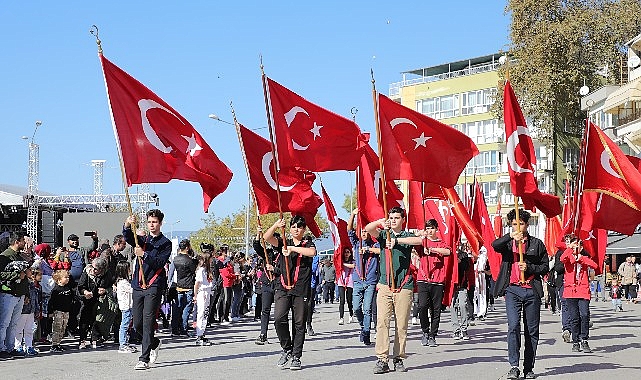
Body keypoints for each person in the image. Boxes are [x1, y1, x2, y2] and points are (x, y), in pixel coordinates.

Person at [492, 209, 548, 380]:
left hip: (531, 290)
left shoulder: (537, 244)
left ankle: (528, 367)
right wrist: (510, 237)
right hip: (512, 290)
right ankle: (514, 366)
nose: (517, 226)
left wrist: (530, 268)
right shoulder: (508, 244)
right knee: (513, 326)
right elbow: (495, 245)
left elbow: (545, 267)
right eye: (514, 224)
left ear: (527, 225)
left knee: (531, 330)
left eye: (521, 224)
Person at [365, 206, 415, 374]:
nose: (393, 220)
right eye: (391, 217)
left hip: (403, 286)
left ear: (403, 220)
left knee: (401, 325)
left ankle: (399, 358)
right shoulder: (383, 235)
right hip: (385, 285)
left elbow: (421, 241)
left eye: (396, 218)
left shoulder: (407, 236)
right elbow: (368, 229)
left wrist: (397, 241)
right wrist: (380, 222)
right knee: (382, 322)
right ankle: (382, 359)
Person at [263, 215, 317, 371]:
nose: (296, 229)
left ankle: (296, 356)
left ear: (303, 229)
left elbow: (312, 252)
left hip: (300, 289)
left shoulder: (307, 244)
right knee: (279, 318)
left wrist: (292, 249)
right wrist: (276, 225)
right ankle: (286, 348)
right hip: (283, 287)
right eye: (293, 226)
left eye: (299, 227)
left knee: (299, 323)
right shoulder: (283, 243)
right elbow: (267, 237)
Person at [123, 209, 172, 371]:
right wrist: (127, 224)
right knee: (137, 324)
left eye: (155, 222)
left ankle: (143, 358)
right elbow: (128, 237)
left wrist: (143, 254)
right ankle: (154, 343)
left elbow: (159, 262)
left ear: (160, 223)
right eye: (150, 222)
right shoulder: (142, 239)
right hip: (138, 285)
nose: (152, 225)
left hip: (154, 285)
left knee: (148, 322)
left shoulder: (166, 243)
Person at [407, 219, 452, 348]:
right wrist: (420, 234)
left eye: (431, 228)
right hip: (423, 279)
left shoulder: (441, 242)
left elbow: (448, 252)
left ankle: (433, 335)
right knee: (422, 306)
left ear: (436, 229)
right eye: (427, 228)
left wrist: (432, 249)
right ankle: (425, 331)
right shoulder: (422, 242)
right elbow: (411, 241)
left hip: (437, 281)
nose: (429, 230)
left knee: (435, 310)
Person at [348, 209, 380, 346]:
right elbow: (349, 229)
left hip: (370, 281)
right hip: (358, 281)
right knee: (356, 308)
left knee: (367, 308)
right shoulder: (356, 244)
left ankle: (366, 332)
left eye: (366, 231)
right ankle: (363, 327)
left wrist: (368, 250)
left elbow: (382, 251)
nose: (364, 233)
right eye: (362, 231)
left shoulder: (375, 244)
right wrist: (353, 215)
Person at [561, 235, 597, 354]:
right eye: (575, 244)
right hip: (570, 291)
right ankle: (575, 341)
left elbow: (595, 266)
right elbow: (562, 258)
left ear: (581, 247)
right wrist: (570, 248)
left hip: (583, 290)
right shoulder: (568, 257)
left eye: (579, 245)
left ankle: (584, 339)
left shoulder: (585, 257)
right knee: (574, 318)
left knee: (585, 315)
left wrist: (581, 258)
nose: (577, 247)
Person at [0, 231, 28, 360]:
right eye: (23, 240)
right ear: (17, 242)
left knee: (14, 323)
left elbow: (25, 277)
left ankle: (10, 347)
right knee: (4, 323)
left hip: (19, 294)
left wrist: (26, 293)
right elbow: (1, 274)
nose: (25, 243)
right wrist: (16, 276)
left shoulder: (19, 256)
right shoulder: (5, 256)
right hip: (9, 294)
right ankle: (1, 348)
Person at [168, 239, 196, 337]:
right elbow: (194, 272)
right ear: (187, 248)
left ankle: (174, 329)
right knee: (186, 309)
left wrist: (169, 284)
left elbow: (170, 273)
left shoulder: (175, 259)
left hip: (178, 286)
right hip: (188, 285)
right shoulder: (190, 260)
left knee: (176, 309)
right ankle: (183, 329)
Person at [254, 232, 277, 344]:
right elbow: (257, 246)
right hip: (267, 284)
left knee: (280, 312)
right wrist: (258, 234)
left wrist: (275, 269)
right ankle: (263, 334)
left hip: (279, 285)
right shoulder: (268, 253)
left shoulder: (284, 253)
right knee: (265, 310)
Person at [13, 265, 41, 356]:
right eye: (30, 271)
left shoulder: (32, 284)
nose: (31, 273)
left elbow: (36, 298)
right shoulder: (23, 283)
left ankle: (29, 346)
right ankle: (18, 345)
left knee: (29, 329)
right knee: (19, 329)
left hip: (31, 310)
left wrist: (37, 309)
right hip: (23, 310)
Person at [451, 242, 474, 341]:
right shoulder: (447, 253)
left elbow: (465, 266)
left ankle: (464, 329)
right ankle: (456, 329)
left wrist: (457, 260)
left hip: (461, 285)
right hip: (451, 286)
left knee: (462, 305)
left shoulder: (464, 255)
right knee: (453, 306)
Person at [48, 269, 74, 352]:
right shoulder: (56, 290)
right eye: (65, 277)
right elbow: (51, 301)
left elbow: (71, 299)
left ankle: (58, 343)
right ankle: (54, 345)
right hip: (58, 311)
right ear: (59, 279)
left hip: (66, 311)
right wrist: (50, 312)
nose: (67, 279)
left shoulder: (68, 288)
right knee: (57, 328)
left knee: (63, 328)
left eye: (68, 277)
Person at [116, 260, 137, 354]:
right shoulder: (123, 282)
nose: (130, 270)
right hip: (126, 306)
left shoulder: (124, 281)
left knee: (126, 325)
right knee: (124, 325)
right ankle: (122, 344)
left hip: (128, 306)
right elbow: (132, 290)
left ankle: (125, 342)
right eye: (128, 268)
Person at [194, 251, 214, 346]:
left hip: (207, 291)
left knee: (205, 313)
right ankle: (199, 335)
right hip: (202, 292)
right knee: (201, 313)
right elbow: (197, 283)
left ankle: (202, 333)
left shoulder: (207, 270)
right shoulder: (201, 270)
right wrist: (195, 295)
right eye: (210, 258)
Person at [337, 247, 355, 325]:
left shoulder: (353, 261)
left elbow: (353, 266)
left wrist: (343, 264)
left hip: (349, 282)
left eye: (348, 252)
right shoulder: (340, 261)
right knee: (342, 300)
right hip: (341, 281)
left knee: (349, 300)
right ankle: (341, 317)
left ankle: (351, 315)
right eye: (345, 252)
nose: (346, 253)